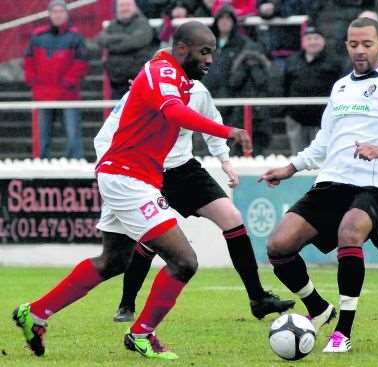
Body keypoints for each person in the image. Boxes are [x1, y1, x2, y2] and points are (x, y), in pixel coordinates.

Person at [13, 21, 252, 361]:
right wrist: (227, 130)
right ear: (181, 48)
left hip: (128, 175)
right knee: (183, 261)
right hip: (128, 179)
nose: (210, 60)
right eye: (204, 51)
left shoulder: (174, 77)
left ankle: (35, 313)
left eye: (213, 52)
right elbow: (174, 112)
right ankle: (142, 334)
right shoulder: (162, 72)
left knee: (113, 261)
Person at [259, 17, 378, 353]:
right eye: (353, 44)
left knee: (350, 232)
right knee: (278, 246)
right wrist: (291, 167)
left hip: (372, 185)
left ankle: (343, 331)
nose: (360, 50)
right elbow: (325, 142)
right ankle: (319, 309)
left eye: (367, 44)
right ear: (346, 46)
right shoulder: (340, 87)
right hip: (331, 182)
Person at [104, 77, 294, 322]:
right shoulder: (142, 92)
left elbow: (211, 124)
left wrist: (225, 162)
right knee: (152, 240)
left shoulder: (198, 91)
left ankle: (258, 299)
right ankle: (126, 305)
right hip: (148, 171)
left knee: (232, 218)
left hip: (184, 170)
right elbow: (112, 133)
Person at [23, 0, 88, 159]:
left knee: (73, 135)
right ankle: (41, 166)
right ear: (49, 14)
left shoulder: (75, 38)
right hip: (43, 94)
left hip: (67, 94)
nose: (57, 15)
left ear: (66, 14)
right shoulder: (37, 36)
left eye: (61, 11)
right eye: (54, 11)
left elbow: (82, 63)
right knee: (42, 137)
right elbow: (28, 61)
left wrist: (68, 82)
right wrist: (33, 81)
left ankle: (76, 163)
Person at [283, 26, 342, 155]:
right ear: (303, 42)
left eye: (316, 38)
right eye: (309, 38)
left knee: (321, 159)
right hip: (296, 118)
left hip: (323, 120)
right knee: (297, 159)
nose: (312, 42)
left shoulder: (334, 62)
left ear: (323, 41)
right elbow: (284, 85)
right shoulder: (292, 61)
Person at [97, 0, 157, 99]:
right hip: (116, 83)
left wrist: (113, 43)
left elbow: (136, 41)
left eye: (128, 5)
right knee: (118, 114)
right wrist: (125, 38)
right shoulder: (112, 25)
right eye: (121, 6)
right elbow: (101, 39)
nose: (124, 8)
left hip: (138, 82)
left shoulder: (143, 23)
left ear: (135, 7)